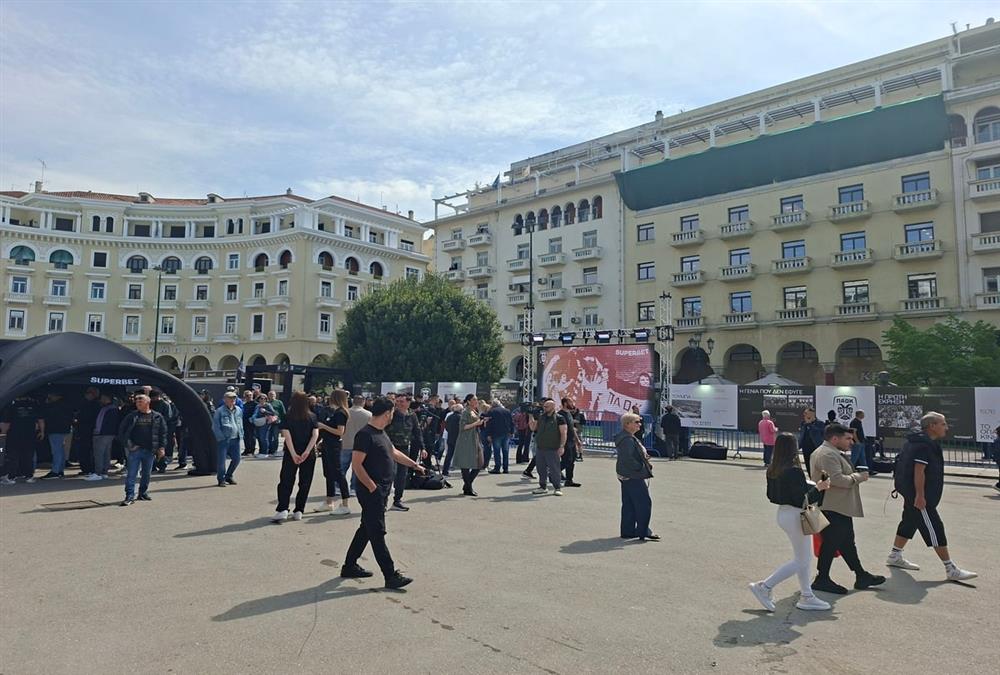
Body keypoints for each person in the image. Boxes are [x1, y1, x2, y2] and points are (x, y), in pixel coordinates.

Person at [340, 396, 426, 589]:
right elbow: (357, 464)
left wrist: (414, 465)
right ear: (387, 413)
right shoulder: (365, 434)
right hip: (372, 492)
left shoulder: (381, 433)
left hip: (381, 490)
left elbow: (393, 452)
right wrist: (372, 487)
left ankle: (349, 565)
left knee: (366, 528)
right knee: (377, 532)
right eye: (392, 413)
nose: (393, 416)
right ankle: (390, 575)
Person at [886, 412, 977, 581]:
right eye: (943, 424)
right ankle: (950, 568)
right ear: (932, 426)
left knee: (909, 521)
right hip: (920, 497)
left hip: (912, 494)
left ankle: (894, 556)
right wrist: (920, 496)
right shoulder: (924, 445)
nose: (946, 427)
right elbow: (918, 471)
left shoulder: (916, 442)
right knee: (934, 527)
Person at [749, 433, 832, 612]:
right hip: (796, 515)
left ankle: (807, 595)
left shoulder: (773, 468)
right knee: (802, 559)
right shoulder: (793, 470)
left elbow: (772, 496)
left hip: (784, 513)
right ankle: (765, 586)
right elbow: (802, 499)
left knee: (803, 558)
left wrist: (808, 486)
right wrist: (819, 487)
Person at [809, 423, 885, 594]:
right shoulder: (828, 454)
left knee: (846, 543)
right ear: (835, 438)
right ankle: (821, 578)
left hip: (837, 506)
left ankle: (861, 575)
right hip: (832, 506)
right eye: (847, 438)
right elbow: (837, 480)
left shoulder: (830, 452)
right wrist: (859, 476)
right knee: (831, 543)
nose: (851, 442)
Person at [271, 392, 319, 522]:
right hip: (308, 454)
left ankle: (283, 509)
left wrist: (293, 453)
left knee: (286, 480)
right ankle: (299, 510)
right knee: (305, 482)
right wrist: (307, 452)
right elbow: (315, 435)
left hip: (291, 452)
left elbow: (287, 436)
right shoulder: (313, 416)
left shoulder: (288, 417)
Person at [116, 393, 166, 506]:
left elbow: (163, 433)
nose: (138, 402)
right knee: (132, 474)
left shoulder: (157, 416)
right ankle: (129, 496)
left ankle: (142, 493)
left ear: (147, 403)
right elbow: (122, 431)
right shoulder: (132, 416)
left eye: (140, 400)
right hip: (135, 450)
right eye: (137, 401)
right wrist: (129, 445)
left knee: (146, 474)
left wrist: (161, 448)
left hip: (150, 450)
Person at [615, 413, 659, 541]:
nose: (640, 424)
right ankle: (643, 531)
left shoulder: (627, 437)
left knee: (629, 503)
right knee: (643, 503)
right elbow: (628, 458)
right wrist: (641, 467)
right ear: (627, 424)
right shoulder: (627, 439)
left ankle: (628, 531)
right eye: (637, 422)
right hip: (632, 475)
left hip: (626, 474)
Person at [386, 394, 424, 511]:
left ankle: (397, 500)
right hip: (390, 447)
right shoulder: (392, 414)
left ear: (408, 403)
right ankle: (383, 501)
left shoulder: (412, 415)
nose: (399, 404)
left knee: (402, 476)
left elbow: (417, 432)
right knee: (389, 474)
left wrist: (423, 448)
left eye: (402, 401)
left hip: (404, 448)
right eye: (397, 401)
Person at [316, 390, 352, 515]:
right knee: (328, 474)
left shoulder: (341, 413)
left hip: (334, 446)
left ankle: (345, 504)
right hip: (327, 444)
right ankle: (329, 501)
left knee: (338, 473)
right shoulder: (334, 412)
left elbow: (340, 431)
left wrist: (324, 426)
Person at [0, 395, 44, 484]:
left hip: (14, 434)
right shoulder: (34, 405)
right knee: (28, 455)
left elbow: (5, 423)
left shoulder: (11, 405)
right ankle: (29, 476)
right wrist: (42, 431)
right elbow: (40, 420)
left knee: (12, 455)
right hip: (30, 434)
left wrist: (3, 434)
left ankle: (10, 476)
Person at [529, 399, 566, 496]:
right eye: (544, 406)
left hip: (553, 448)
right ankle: (542, 486)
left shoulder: (559, 418)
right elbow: (533, 428)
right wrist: (530, 415)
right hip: (541, 447)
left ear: (553, 407)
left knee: (554, 469)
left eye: (546, 407)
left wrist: (561, 446)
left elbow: (563, 433)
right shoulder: (541, 417)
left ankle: (557, 487)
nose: (544, 408)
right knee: (541, 469)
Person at [453, 394, 487, 496]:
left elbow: (475, 424)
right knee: (466, 464)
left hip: (475, 438)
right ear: (468, 401)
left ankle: (467, 486)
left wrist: (482, 422)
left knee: (479, 463)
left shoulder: (474, 411)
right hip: (466, 440)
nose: (476, 401)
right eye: (474, 399)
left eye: (476, 399)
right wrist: (476, 423)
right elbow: (463, 427)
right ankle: (468, 487)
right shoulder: (465, 412)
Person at [85, 393, 121, 481]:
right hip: (110, 434)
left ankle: (98, 473)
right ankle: (104, 472)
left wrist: (97, 431)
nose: (101, 400)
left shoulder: (106, 409)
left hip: (102, 434)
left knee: (99, 453)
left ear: (106, 398)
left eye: (102, 398)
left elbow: (101, 422)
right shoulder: (113, 409)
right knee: (106, 453)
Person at [212, 391, 243, 487]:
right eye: (230, 398)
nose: (232, 400)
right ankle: (221, 479)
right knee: (221, 461)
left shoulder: (238, 409)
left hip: (236, 438)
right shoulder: (219, 411)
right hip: (224, 439)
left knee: (237, 459)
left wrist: (241, 434)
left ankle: (228, 476)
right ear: (225, 399)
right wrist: (220, 437)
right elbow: (215, 426)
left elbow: (240, 422)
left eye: (234, 398)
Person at [342, 396, 372, 495]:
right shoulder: (368, 414)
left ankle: (338, 486)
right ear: (363, 402)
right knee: (357, 467)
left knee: (341, 467)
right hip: (360, 445)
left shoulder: (345, 413)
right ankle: (353, 487)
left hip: (345, 443)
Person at [40, 391, 73, 479]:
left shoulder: (53, 405)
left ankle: (55, 471)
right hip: (64, 429)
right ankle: (60, 470)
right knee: (61, 450)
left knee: (56, 451)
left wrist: (47, 403)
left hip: (55, 429)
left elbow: (46, 414)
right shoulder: (67, 405)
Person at [560, 397, 583, 487]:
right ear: (565, 403)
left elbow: (572, 429)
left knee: (572, 460)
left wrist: (577, 440)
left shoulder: (569, 414)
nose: (573, 404)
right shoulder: (560, 415)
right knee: (567, 460)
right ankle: (553, 470)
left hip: (572, 441)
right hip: (565, 441)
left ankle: (569, 480)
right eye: (571, 402)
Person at [486, 399, 513, 474]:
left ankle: (497, 468)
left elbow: (489, 424)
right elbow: (511, 422)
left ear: (493, 405)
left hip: (496, 433)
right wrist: (512, 432)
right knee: (505, 451)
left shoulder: (491, 412)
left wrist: (488, 434)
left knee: (497, 451)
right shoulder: (507, 411)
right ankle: (505, 468)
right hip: (506, 433)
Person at [442, 401, 463, 477]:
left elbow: (446, 427)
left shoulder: (449, 416)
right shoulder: (461, 417)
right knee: (462, 455)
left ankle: (445, 471)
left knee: (449, 455)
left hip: (450, 438)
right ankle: (464, 472)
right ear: (460, 410)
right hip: (459, 438)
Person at [241, 390, 258, 456]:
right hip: (244, 422)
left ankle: (252, 450)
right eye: (247, 395)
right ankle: (247, 449)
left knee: (252, 436)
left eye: (250, 395)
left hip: (252, 423)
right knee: (246, 437)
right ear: (244, 396)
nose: (249, 396)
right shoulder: (244, 404)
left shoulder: (255, 404)